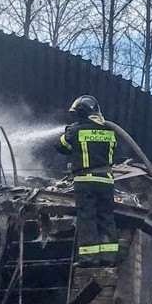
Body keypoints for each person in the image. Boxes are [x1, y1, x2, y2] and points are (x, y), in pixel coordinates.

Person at [56, 95, 119, 268]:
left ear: (81, 112)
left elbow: (61, 147)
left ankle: (89, 258)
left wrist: (68, 132)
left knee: (87, 218)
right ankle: (109, 257)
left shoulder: (76, 131)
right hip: (106, 181)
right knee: (106, 217)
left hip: (86, 181)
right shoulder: (110, 131)